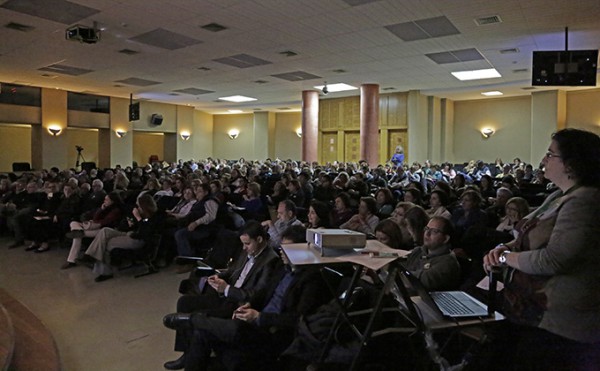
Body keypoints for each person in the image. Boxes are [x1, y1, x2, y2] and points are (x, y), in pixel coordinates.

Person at [483, 128, 600, 370]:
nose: (543, 160)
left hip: (561, 325)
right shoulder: (558, 195)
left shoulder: (585, 201)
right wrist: (504, 247)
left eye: (550, 154)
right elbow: (522, 232)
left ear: (571, 163)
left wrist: (505, 257)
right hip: (529, 310)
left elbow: (553, 260)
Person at [162, 228, 330, 371]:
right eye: (282, 247)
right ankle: (194, 325)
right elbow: (263, 293)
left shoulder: (312, 279)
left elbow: (297, 319)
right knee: (203, 333)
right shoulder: (282, 267)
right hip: (256, 318)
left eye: (288, 248)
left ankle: (192, 319)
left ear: (303, 250)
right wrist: (249, 305)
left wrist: (258, 317)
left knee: (232, 328)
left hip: (273, 330)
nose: (281, 251)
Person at [164, 221, 281, 370]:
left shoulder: (270, 261)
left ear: (259, 239)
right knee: (184, 302)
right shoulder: (249, 250)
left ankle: (192, 352)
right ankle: (186, 352)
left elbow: (256, 294)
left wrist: (226, 289)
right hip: (226, 293)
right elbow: (233, 271)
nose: (244, 248)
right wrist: (219, 276)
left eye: (247, 244)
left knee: (200, 316)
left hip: (237, 303)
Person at [83, 193, 162, 282]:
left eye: (139, 206)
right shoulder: (139, 213)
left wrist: (138, 218)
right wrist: (129, 224)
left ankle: (103, 270)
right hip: (128, 233)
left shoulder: (154, 216)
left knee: (106, 243)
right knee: (104, 231)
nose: (137, 207)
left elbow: (145, 232)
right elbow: (128, 226)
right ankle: (90, 256)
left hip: (138, 239)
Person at [60, 191, 124, 269]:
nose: (104, 201)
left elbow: (105, 222)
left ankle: (71, 260)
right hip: (95, 226)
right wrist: (101, 209)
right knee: (73, 223)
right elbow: (95, 218)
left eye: (107, 200)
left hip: (102, 229)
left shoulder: (115, 211)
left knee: (77, 236)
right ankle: (78, 231)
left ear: (112, 201)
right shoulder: (105, 208)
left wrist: (92, 223)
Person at [405, 216, 461, 291]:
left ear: (446, 239)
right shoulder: (419, 250)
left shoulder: (448, 263)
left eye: (434, 231)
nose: (427, 234)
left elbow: (418, 281)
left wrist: (397, 274)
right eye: (426, 229)